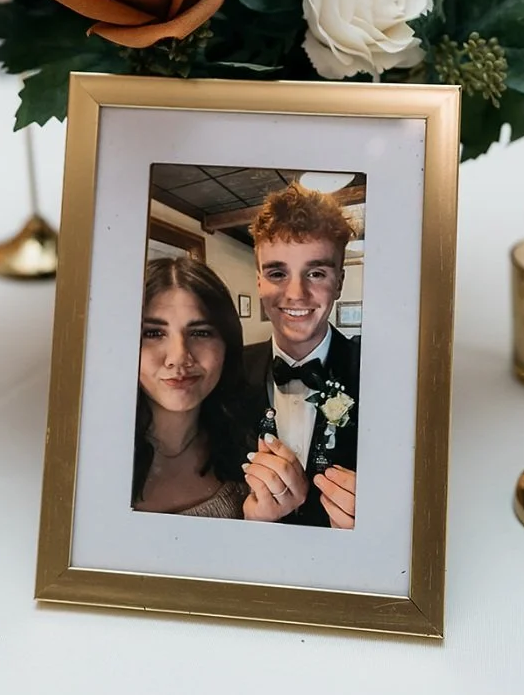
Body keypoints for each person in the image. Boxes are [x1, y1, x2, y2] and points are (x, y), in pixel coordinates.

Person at [243, 182, 360, 529]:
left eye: (316, 273)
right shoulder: (226, 371)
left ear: (339, 282)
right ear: (259, 281)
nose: (296, 293)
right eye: (278, 273)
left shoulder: (382, 373)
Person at [132, 255, 251, 519]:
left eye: (200, 333)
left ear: (227, 345)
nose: (178, 357)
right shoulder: (90, 458)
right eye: (153, 333)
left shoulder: (247, 452)